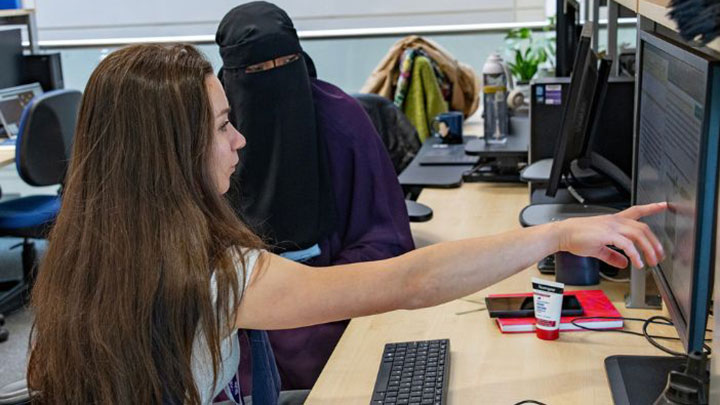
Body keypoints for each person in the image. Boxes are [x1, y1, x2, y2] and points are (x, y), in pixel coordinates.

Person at [27, 43, 665, 404]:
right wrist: (553, 234)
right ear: (171, 150)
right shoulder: (205, 275)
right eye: (223, 125)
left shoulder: (92, 247)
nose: (241, 140)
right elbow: (407, 283)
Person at [215, 2, 415, 390]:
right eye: (256, 70)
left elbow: (385, 235)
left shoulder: (342, 119)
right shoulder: (215, 134)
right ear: (232, 76)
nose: (273, 77)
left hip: (331, 292)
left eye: (285, 62)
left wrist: (318, 285)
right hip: (245, 303)